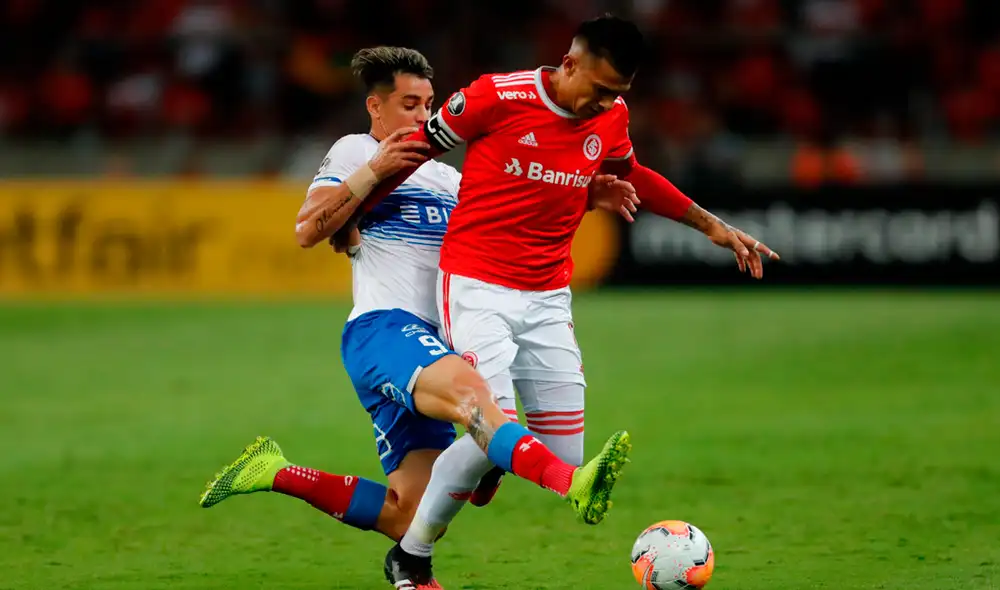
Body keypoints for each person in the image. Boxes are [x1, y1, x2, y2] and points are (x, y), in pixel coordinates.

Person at [298, 15, 780, 589]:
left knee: (556, 449)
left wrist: (711, 225)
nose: (605, 103)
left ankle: (501, 469)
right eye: (598, 89)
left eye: (617, 95)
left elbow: (629, 173)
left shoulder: (612, 116)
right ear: (569, 64)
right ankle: (411, 557)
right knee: (487, 419)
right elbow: (411, 153)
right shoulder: (493, 98)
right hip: (475, 287)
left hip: (548, 293)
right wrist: (344, 214)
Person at [198, 46, 640, 590]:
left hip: (436, 344)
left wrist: (583, 189)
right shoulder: (356, 149)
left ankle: (272, 470)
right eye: (410, 104)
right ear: (376, 109)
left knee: (412, 513)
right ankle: (569, 480)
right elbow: (309, 228)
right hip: (385, 331)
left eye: (429, 104)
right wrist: (372, 172)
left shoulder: (450, 180)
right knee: (481, 405)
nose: (422, 117)